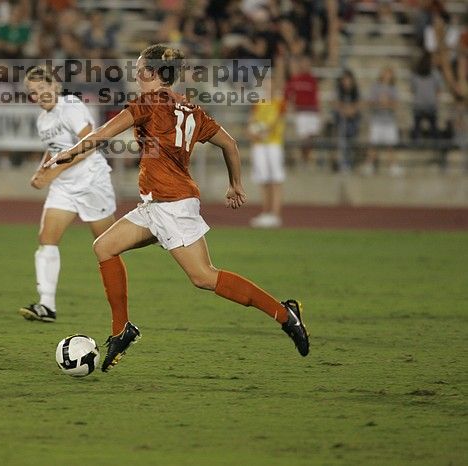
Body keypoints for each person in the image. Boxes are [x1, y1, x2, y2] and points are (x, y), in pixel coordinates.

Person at [45, 44, 310, 372]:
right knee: (105, 247)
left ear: (155, 75)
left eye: (141, 70)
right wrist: (236, 184)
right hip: (156, 204)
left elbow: (101, 135)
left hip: (173, 205)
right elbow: (230, 143)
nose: (137, 75)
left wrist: (67, 154)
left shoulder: (148, 103)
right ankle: (121, 331)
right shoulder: (191, 109)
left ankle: (285, 315)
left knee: (203, 277)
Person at [18, 66, 117, 322]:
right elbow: (54, 149)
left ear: (54, 85)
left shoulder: (70, 107)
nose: (39, 94)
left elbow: (90, 144)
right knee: (47, 240)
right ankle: (46, 306)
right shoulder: (43, 119)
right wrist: (41, 171)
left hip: (92, 182)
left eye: (42, 87)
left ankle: (152, 233)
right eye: (33, 92)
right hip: (64, 186)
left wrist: (52, 173)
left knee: (110, 245)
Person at [247, 80, 287, 228]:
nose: (268, 88)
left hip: (273, 144)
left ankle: (276, 215)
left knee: (276, 180)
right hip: (259, 145)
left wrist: (261, 131)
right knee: (263, 180)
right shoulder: (259, 103)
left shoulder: (279, 102)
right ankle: (265, 212)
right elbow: (252, 120)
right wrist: (252, 131)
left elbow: (276, 121)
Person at [363, 67, 401, 176]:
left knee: (391, 145)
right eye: (385, 73)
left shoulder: (393, 88)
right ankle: (369, 165)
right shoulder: (375, 87)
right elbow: (370, 102)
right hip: (377, 120)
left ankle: (392, 166)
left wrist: (387, 103)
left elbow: (396, 104)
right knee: (373, 144)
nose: (386, 76)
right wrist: (380, 102)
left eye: (389, 74)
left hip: (389, 121)